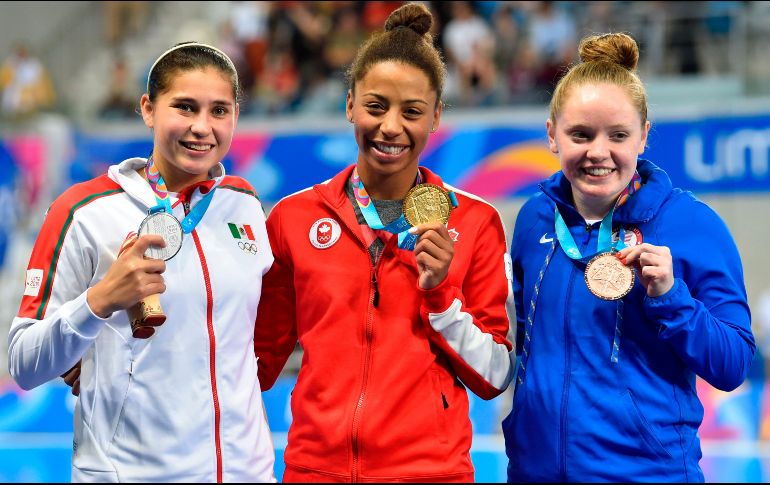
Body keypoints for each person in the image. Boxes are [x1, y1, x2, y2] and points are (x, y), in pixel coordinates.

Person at [253, 3, 513, 482]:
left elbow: (495, 376)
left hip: (429, 474)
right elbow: (256, 363)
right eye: (376, 106)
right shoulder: (293, 217)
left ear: (435, 117)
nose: (391, 126)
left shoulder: (476, 222)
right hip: (316, 471)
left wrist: (440, 296)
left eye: (411, 111)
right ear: (350, 104)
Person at [7, 42, 276, 482]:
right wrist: (98, 302)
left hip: (248, 472)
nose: (202, 127)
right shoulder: (84, 211)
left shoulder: (244, 204)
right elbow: (24, 363)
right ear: (149, 109)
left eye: (219, 111)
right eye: (185, 107)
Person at [503, 32, 755, 482]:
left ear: (643, 136)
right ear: (552, 135)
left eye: (618, 135)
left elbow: (733, 364)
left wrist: (671, 298)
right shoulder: (533, 219)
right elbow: (523, 347)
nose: (598, 152)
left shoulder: (691, 224)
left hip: (644, 473)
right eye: (580, 134)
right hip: (534, 472)